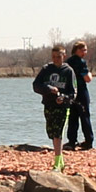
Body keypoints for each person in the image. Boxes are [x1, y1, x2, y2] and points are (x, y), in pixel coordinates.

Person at [33, 44, 77, 172]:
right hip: (48, 105)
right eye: (53, 57)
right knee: (52, 134)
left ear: (64, 56)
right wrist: (48, 89)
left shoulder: (68, 71)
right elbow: (36, 86)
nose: (56, 59)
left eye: (58, 57)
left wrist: (63, 97)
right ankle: (61, 161)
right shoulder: (46, 69)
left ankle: (57, 163)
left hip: (62, 107)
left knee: (58, 134)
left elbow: (73, 93)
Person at [64, 41, 95, 150]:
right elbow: (88, 79)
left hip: (70, 93)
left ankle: (72, 141)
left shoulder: (67, 62)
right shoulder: (81, 62)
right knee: (85, 116)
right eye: (82, 50)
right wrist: (90, 74)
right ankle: (89, 141)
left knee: (72, 117)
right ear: (76, 50)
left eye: (85, 50)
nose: (84, 52)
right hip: (81, 92)